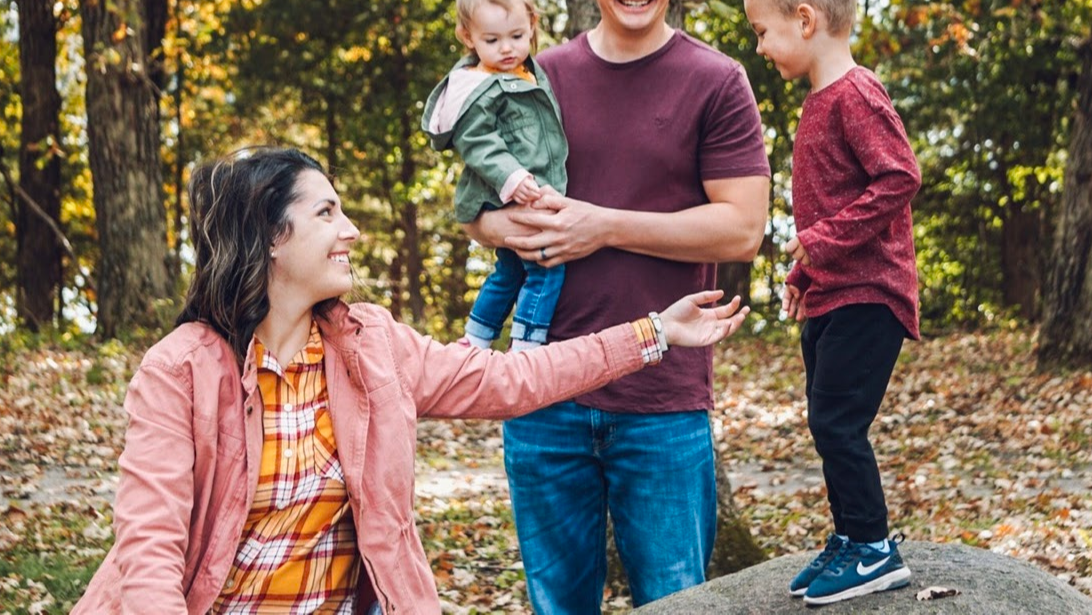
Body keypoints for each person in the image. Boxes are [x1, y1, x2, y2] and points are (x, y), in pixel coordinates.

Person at [71, 146, 751, 615]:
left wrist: (654, 331)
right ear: (271, 237)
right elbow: (150, 547)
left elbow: (513, 378)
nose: (353, 230)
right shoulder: (181, 370)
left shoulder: (370, 344)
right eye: (327, 213)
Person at [464, 0, 771, 610]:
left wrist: (601, 225)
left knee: (675, 600)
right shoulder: (536, 77)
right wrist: (512, 230)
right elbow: (478, 209)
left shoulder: (717, 80)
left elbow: (741, 229)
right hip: (543, 390)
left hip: (662, 397)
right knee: (557, 602)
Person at [741, 0, 921, 606]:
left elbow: (900, 176)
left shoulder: (855, 95)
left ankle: (875, 547)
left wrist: (820, 240)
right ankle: (851, 534)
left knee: (838, 422)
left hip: (871, 294)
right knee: (826, 415)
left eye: (764, 31)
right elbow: (830, 209)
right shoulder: (819, 100)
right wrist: (804, 271)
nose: (760, 47)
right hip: (833, 292)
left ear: (806, 20)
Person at [422, 0, 567, 352]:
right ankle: (528, 340)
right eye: (492, 39)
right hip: (504, 194)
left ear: (533, 25)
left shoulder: (529, 72)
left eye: (517, 36)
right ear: (467, 37)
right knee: (546, 266)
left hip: (533, 191)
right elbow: (478, 141)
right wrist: (512, 177)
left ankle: (477, 336)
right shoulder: (475, 87)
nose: (507, 48)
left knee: (508, 271)